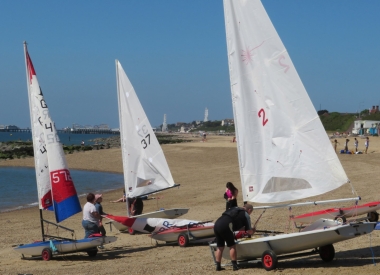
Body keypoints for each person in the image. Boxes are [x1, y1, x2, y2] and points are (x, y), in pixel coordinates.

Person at [213, 204, 255, 271]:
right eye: (251, 212)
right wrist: (253, 231)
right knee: (232, 245)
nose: (250, 214)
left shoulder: (235, 208)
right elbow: (249, 231)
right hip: (226, 226)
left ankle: (218, 266)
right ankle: (235, 266)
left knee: (220, 246)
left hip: (217, 224)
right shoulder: (246, 214)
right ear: (249, 210)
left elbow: (236, 226)